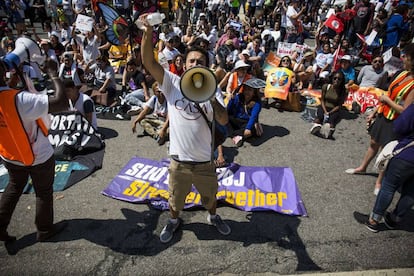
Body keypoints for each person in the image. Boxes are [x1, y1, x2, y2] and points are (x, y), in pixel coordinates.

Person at [138, 13, 231, 243]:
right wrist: (148, 32)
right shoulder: (172, 83)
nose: (195, 65)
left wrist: (209, 97)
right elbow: (148, 62)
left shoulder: (213, 89)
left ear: (206, 66)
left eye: (200, 62)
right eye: (192, 61)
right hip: (179, 159)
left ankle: (213, 216)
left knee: (210, 197)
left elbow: (223, 120)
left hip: (204, 161)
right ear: (184, 64)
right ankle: (173, 220)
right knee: (175, 199)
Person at [0, 58, 69, 243]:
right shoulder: (20, 100)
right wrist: (53, 74)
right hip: (38, 156)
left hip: (10, 155)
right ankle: (45, 230)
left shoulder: (16, 97)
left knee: (14, 186)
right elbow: (61, 102)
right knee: (43, 192)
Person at [345, 43, 414, 195]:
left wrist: (387, 101)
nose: (403, 58)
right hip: (383, 114)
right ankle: (362, 168)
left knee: (385, 152)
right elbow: (388, 95)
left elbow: (405, 111)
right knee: (373, 142)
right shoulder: (402, 73)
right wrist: (375, 112)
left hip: (395, 120)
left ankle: (379, 181)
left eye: (406, 56)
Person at [355, 103, 414, 232]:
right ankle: (395, 219)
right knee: (411, 191)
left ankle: (373, 220)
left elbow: (399, 127)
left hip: (407, 155)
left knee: (389, 186)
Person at [227, 78, 266, 147]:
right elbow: (228, 111)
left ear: (254, 92)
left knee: (252, 129)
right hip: (236, 119)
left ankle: (234, 134)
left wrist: (248, 128)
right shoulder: (238, 97)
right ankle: (239, 135)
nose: (247, 92)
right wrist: (232, 99)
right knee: (226, 120)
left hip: (246, 121)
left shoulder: (257, 103)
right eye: (246, 89)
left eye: (250, 90)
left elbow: (253, 116)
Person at [310, 71, 347, 139]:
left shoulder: (343, 91)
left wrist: (330, 113)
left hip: (334, 109)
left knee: (331, 123)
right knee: (319, 119)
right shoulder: (326, 87)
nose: (337, 80)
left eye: (339, 79)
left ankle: (327, 132)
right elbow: (322, 100)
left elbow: (339, 105)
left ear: (342, 81)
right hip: (324, 106)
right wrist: (325, 111)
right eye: (335, 78)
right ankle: (316, 128)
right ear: (332, 79)